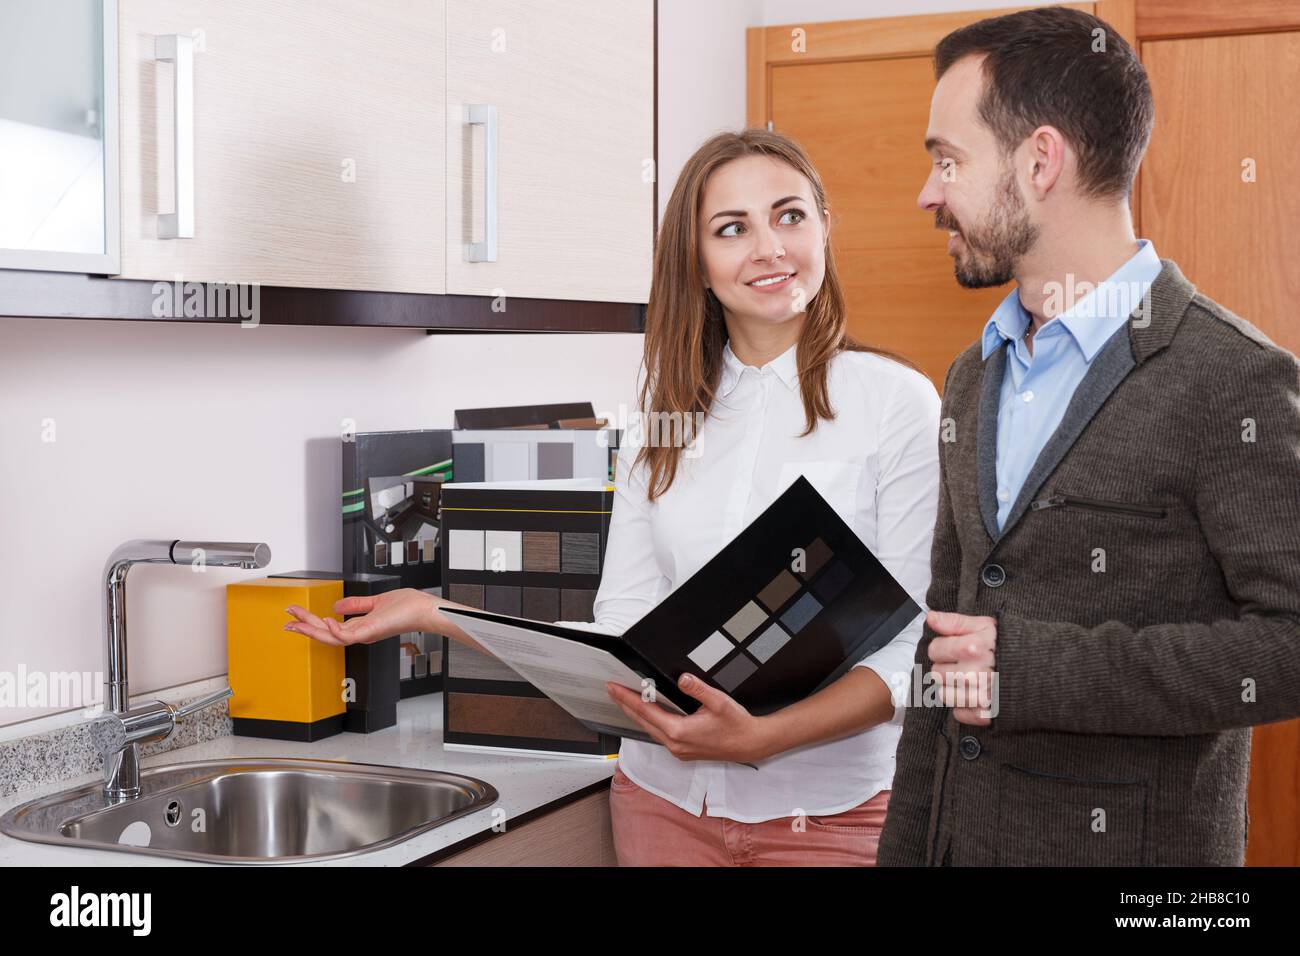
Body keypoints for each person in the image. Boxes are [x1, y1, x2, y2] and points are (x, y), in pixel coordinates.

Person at [287, 128, 942, 866]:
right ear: (694, 262)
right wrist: (436, 614)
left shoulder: (898, 404)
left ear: (825, 226)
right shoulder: (660, 420)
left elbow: (909, 650)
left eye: (790, 215)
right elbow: (624, 633)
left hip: (829, 814)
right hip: (662, 805)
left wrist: (764, 737)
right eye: (732, 229)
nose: (769, 248)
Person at [877, 6, 1300, 867]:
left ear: (1040, 162)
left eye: (947, 161)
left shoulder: (1233, 378)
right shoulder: (971, 374)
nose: (929, 193)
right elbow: (947, 639)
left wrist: (1035, 672)